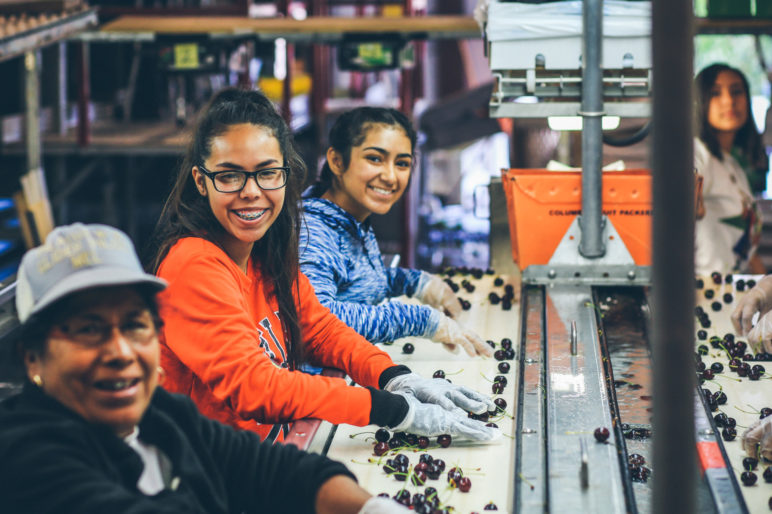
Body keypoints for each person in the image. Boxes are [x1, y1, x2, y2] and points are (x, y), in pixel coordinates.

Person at [146, 88, 498, 443]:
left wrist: (393, 376)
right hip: (212, 469)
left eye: (267, 173)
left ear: (285, 174)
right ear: (201, 181)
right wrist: (390, 408)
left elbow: (319, 329)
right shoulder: (193, 266)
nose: (251, 191)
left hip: (274, 450)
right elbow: (255, 387)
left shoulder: (265, 251)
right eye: (229, 176)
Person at [0, 223, 411, 513]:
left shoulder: (161, 415)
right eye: (88, 330)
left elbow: (270, 469)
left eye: (134, 324)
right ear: (32, 355)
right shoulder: (29, 461)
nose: (120, 351)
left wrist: (368, 507)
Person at [299, 107, 493, 355]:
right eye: (375, 159)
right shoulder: (312, 231)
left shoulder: (349, 221)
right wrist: (421, 321)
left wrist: (415, 283)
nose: (391, 177)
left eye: (402, 163)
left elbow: (358, 283)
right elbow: (318, 321)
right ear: (337, 161)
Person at [694, 63, 767, 276]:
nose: (729, 101)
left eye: (736, 91)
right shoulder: (696, 151)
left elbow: (750, 254)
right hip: (702, 288)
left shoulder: (732, 164)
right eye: (715, 93)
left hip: (735, 286)